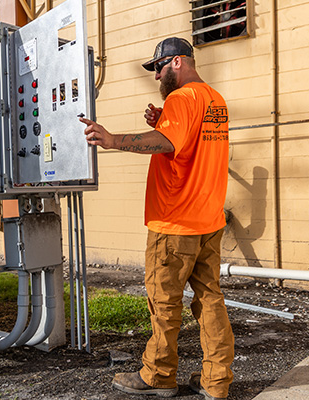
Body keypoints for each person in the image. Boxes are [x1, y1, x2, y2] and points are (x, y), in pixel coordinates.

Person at [79, 37, 234, 400]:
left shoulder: (181, 98)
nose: (156, 76)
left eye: (160, 67)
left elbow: (167, 143)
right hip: (208, 220)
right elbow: (189, 140)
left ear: (178, 62)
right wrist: (162, 119)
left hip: (175, 223)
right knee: (210, 299)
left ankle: (159, 375)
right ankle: (216, 381)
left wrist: (114, 139)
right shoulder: (216, 101)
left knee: (164, 303)